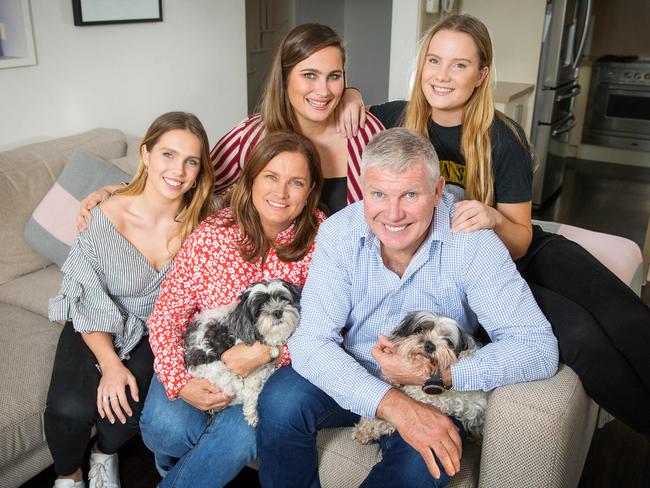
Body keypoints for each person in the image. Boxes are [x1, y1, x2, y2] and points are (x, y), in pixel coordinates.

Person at [340, 14, 650, 438]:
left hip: (523, 249)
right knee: (581, 337)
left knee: (625, 315)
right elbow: (346, 105)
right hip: (483, 274)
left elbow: (522, 240)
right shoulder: (397, 118)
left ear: (481, 74)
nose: (442, 75)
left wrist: (492, 217)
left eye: (460, 65)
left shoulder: (502, 137)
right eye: (434, 60)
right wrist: (351, 93)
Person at [256, 128, 559, 488]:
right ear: (363, 190)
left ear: (437, 191)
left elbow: (538, 348)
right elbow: (312, 342)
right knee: (279, 401)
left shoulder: (473, 241)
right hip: (353, 368)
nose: (393, 213)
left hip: (435, 387)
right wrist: (393, 404)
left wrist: (438, 377)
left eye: (410, 194)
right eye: (379, 194)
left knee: (423, 460)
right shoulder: (339, 233)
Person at [139, 130, 326, 488]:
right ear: (252, 178)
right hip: (202, 355)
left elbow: (331, 328)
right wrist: (181, 384)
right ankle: (175, 466)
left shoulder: (324, 240)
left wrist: (268, 352)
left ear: (311, 189)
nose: (281, 192)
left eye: (296, 182)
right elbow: (166, 315)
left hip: (270, 373)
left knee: (240, 437)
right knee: (167, 430)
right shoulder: (214, 234)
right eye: (270, 176)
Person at [45, 112, 214, 488]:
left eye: (191, 161)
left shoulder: (205, 221)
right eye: (168, 155)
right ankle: (68, 475)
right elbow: (84, 297)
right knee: (68, 409)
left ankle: (104, 456)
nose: (178, 170)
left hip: (154, 330)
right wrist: (109, 364)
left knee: (123, 412)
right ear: (146, 154)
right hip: (95, 317)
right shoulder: (103, 216)